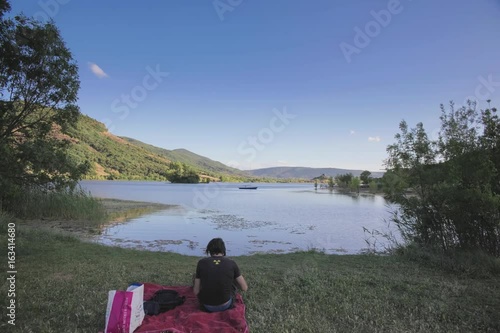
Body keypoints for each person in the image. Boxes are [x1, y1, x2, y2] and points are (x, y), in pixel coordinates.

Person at [193, 238, 248, 312]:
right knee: (232, 281)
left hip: (206, 306)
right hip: (226, 305)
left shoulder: (201, 262)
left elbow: (196, 291)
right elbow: (244, 288)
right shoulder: (231, 263)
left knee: (195, 276)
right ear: (223, 249)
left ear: (209, 250)